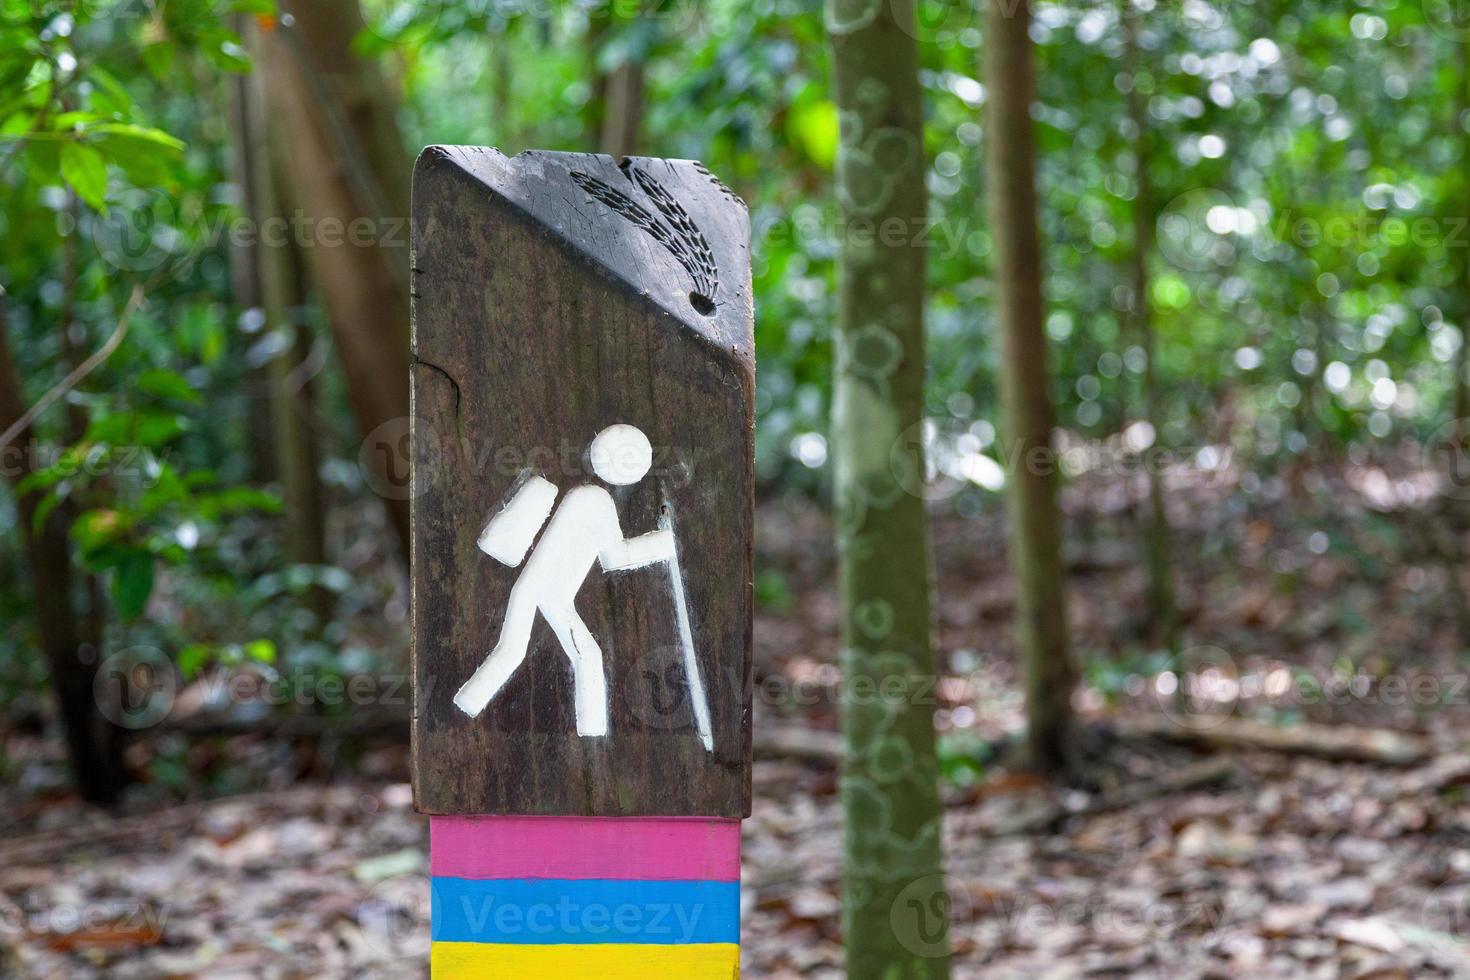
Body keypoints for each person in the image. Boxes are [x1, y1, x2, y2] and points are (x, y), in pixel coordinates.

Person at [452, 423, 675, 736]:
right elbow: (616, 557)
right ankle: (466, 707)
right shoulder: (593, 501)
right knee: (515, 651)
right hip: (537, 590)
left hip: (553, 595)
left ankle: (593, 730)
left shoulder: (589, 498)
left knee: (577, 654)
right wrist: (665, 544)